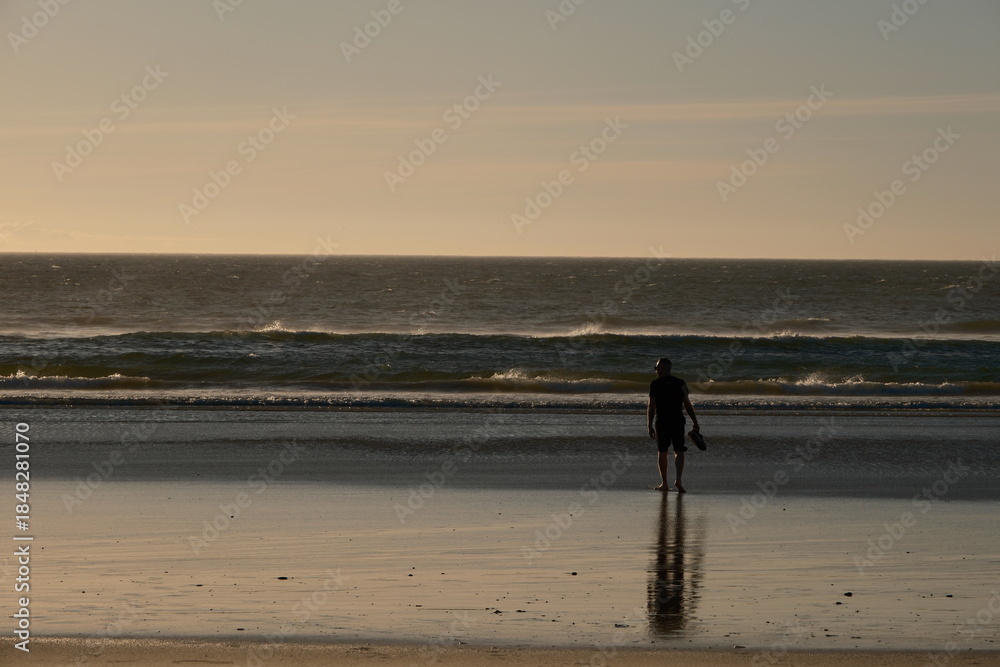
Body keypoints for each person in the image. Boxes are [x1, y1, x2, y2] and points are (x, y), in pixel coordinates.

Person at [647, 357, 699, 492]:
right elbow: (687, 404)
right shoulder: (680, 383)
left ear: (662, 369)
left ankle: (664, 483)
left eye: (656, 368)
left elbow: (651, 406)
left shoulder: (655, 384)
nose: (656, 370)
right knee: (679, 450)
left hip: (662, 421)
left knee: (662, 451)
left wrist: (649, 425)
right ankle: (678, 480)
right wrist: (695, 421)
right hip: (677, 421)